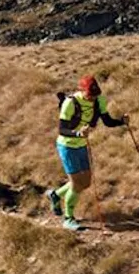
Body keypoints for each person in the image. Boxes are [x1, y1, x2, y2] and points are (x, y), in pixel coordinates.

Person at [47, 74, 128, 231]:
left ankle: (56, 195)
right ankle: (68, 218)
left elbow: (107, 121)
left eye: (94, 95)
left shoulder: (99, 100)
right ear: (81, 90)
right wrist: (78, 134)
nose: (92, 99)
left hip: (82, 145)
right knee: (77, 184)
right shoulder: (70, 103)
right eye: (89, 95)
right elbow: (62, 129)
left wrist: (121, 122)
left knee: (86, 182)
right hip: (67, 146)